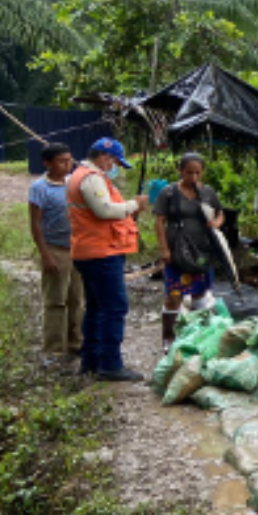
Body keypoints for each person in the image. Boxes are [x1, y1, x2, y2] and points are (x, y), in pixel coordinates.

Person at [67, 137, 148, 381]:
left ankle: (91, 359)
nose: (114, 168)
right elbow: (104, 211)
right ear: (104, 157)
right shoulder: (91, 178)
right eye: (114, 163)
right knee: (114, 306)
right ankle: (110, 364)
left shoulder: (80, 175)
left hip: (90, 250)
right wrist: (133, 205)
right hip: (101, 252)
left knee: (96, 307)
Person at [153, 152, 224, 350]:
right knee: (174, 295)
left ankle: (198, 335)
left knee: (200, 294)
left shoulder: (207, 192)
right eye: (189, 173)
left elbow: (220, 212)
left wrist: (216, 223)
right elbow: (159, 221)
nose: (193, 177)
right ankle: (169, 337)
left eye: (197, 173)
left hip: (202, 252)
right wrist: (164, 248)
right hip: (177, 252)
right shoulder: (168, 193)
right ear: (181, 170)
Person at [28, 143, 83, 368]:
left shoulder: (73, 183)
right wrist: (45, 254)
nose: (67, 165)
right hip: (55, 249)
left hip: (77, 248)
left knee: (77, 299)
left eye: (69, 160)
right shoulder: (39, 187)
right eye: (62, 161)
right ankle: (53, 349)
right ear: (47, 163)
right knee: (55, 301)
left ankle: (75, 344)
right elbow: (35, 223)